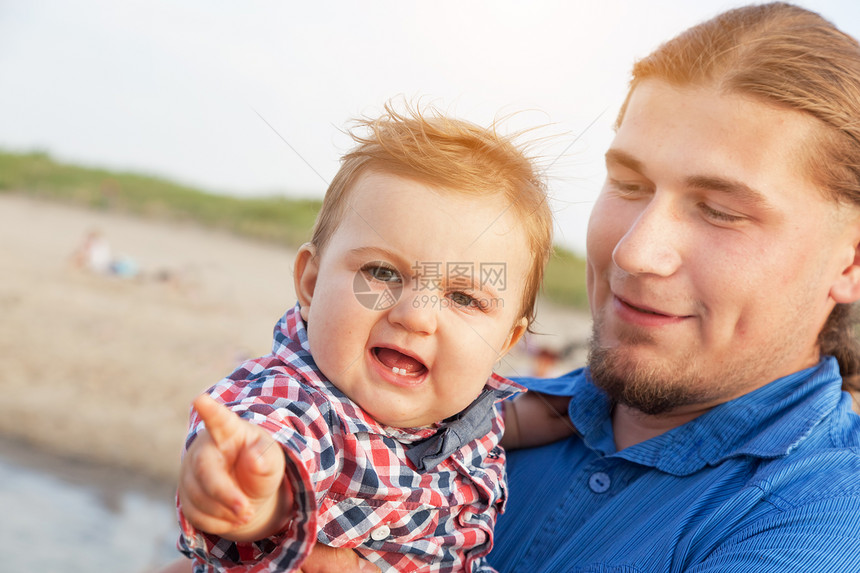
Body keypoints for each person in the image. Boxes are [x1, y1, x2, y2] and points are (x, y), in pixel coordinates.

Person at [285, 2, 860, 571]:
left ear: (851, 262)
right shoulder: (471, 404)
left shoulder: (822, 524)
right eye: (629, 184)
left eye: (719, 210)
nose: (633, 252)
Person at [174, 103, 558, 572]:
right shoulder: (304, 400)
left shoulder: (467, 406)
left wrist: (583, 415)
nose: (416, 316)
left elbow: (510, 421)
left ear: (505, 341)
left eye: (464, 298)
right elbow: (278, 443)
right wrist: (252, 489)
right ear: (312, 284)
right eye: (382, 272)